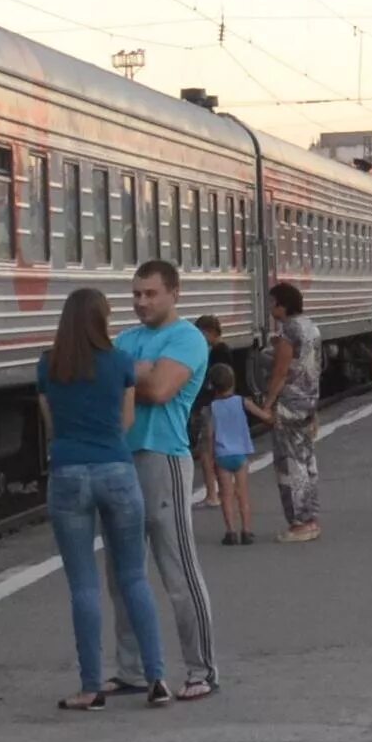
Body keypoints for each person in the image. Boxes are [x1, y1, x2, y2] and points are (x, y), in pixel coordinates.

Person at [37, 289, 170, 710]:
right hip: (116, 469)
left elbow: (51, 424)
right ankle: (157, 680)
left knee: (84, 586)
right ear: (102, 320)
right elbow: (126, 420)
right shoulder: (120, 362)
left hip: (68, 473)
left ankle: (91, 688)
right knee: (134, 577)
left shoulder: (48, 364)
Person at [115, 260, 219, 699]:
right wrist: (145, 371)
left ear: (174, 293)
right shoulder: (126, 338)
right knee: (123, 573)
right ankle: (132, 670)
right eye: (136, 294)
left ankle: (201, 670)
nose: (141, 302)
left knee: (179, 570)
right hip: (121, 459)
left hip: (165, 459)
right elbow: (109, 384)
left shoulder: (188, 338)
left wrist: (130, 374)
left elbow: (160, 391)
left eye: (150, 294)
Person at [251, 280, 324, 543]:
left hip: (289, 405)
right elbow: (314, 368)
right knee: (306, 462)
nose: (270, 308)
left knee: (290, 464)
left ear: (282, 304)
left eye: (272, 303)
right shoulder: (311, 326)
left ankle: (299, 522)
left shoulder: (288, 331)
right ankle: (311, 518)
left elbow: (281, 372)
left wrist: (268, 404)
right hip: (308, 401)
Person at [188, 315, 234, 510]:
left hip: (211, 407)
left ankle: (212, 495)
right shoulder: (223, 351)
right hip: (220, 407)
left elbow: (210, 382)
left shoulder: (217, 353)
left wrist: (198, 405)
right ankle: (225, 493)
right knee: (219, 451)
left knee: (206, 452)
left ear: (208, 332)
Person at [208, 366, 255, 545]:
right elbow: (262, 415)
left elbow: (209, 435)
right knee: (242, 494)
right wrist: (272, 417)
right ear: (233, 382)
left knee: (226, 496)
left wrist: (212, 457)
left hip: (222, 456)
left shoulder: (213, 407)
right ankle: (247, 531)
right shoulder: (242, 401)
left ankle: (231, 532)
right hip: (240, 456)